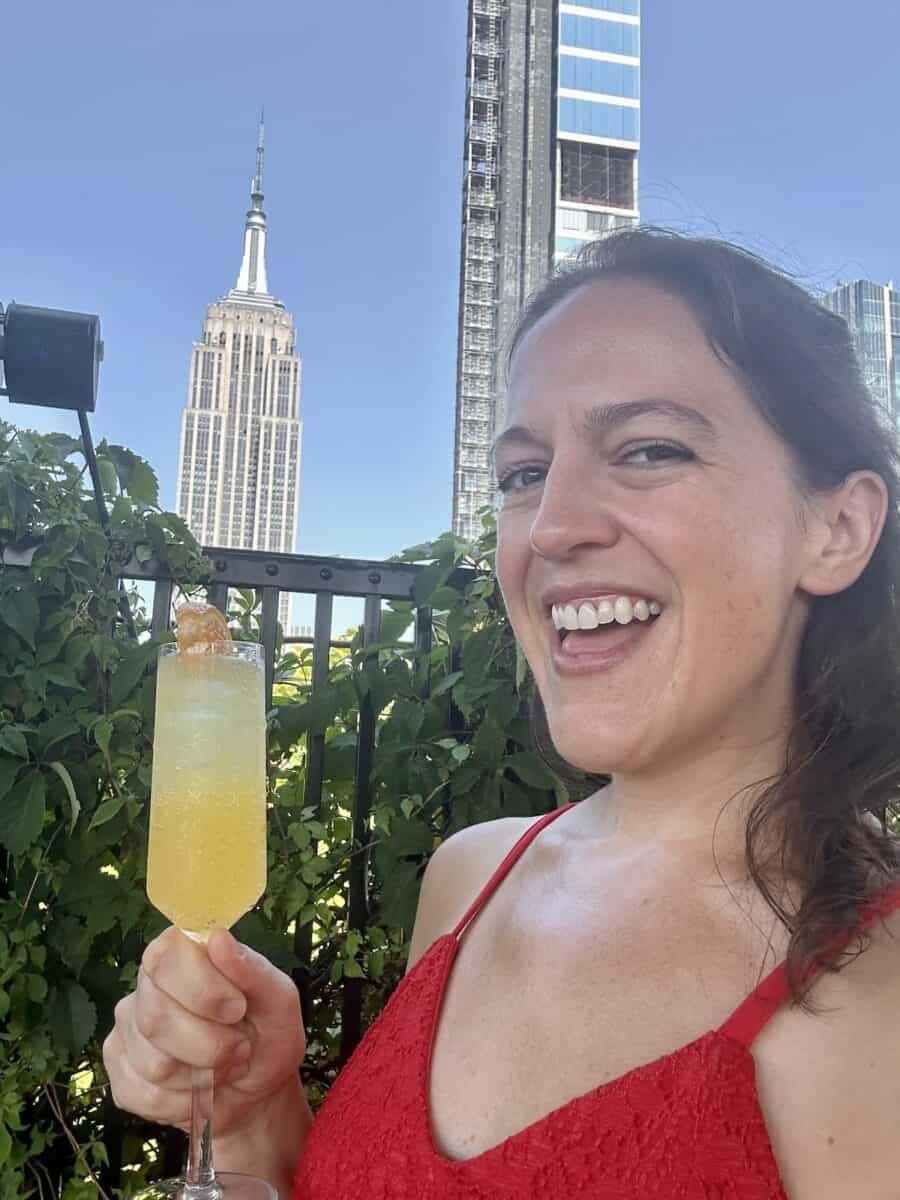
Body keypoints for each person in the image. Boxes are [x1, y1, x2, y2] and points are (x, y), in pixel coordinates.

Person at [104, 228, 900, 1199]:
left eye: (648, 449)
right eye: (524, 474)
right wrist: (257, 1113)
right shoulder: (470, 877)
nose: (552, 526)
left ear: (838, 526)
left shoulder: (880, 1002)